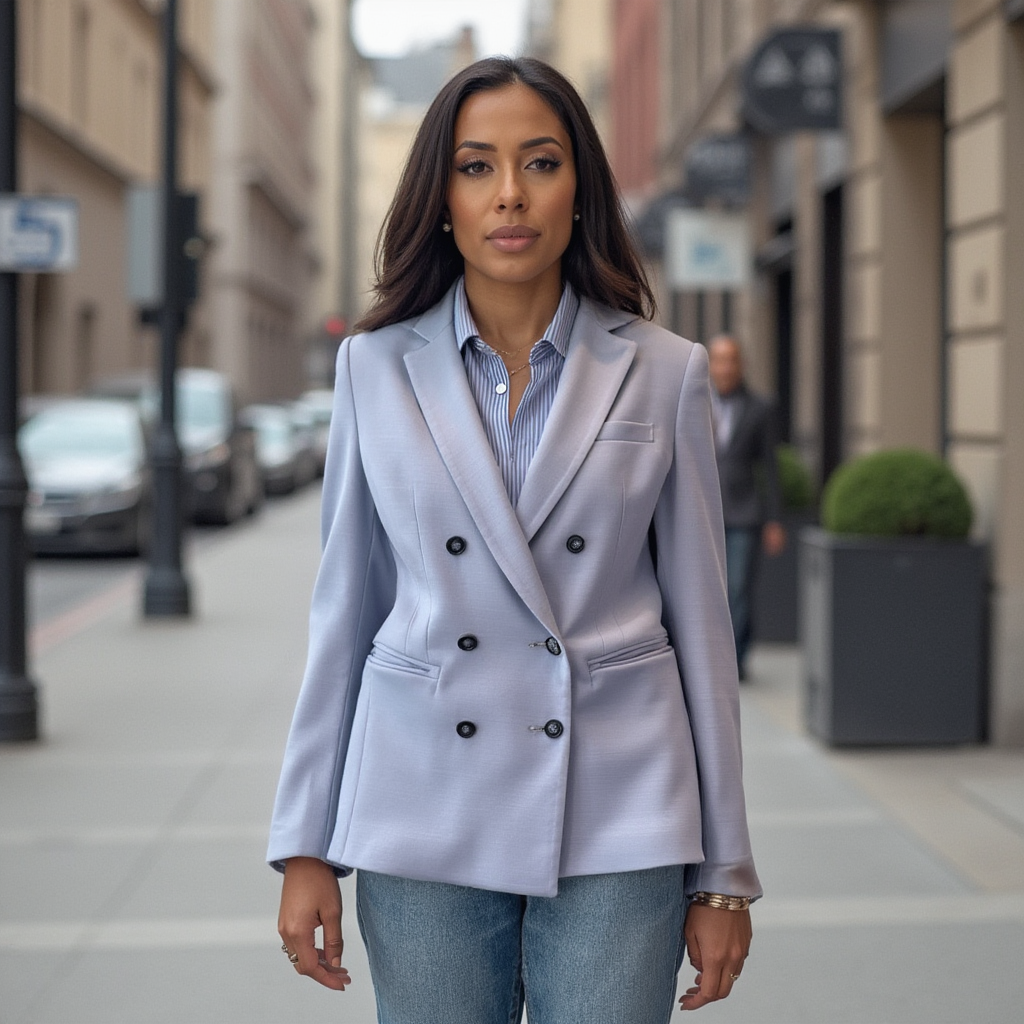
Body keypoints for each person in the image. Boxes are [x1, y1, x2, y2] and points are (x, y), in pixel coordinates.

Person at [269, 57, 761, 1023]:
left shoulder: (664, 372)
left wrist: (723, 874)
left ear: (580, 188)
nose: (509, 195)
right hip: (422, 805)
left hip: (621, 808)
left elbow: (706, 632)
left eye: (540, 162)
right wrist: (304, 844)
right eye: (475, 165)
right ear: (439, 195)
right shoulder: (373, 368)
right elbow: (346, 614)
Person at [707, 334, 786, 680]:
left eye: (731, 360)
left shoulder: (760, 408)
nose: (725, 367)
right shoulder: (693, 401)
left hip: (744, 513)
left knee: (738, 587)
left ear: (741, 365)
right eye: (719, 360)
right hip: (703, 514)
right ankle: (711, 654)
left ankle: (735, 659)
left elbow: (770, 466)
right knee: (709, 588)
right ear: (710, 364)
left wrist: (775, 520)